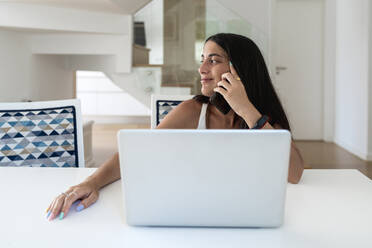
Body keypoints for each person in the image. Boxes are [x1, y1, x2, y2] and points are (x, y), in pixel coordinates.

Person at [45, 33, 304, 221]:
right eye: (203, 59)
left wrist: (246, 109)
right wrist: (92, 182)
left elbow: (294, 174)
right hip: (191, 211)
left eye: (213, 60)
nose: (202, 69)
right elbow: (136, 152)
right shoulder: (193, 111)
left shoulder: (261, 118)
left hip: (246, 213)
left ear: (241, 70)